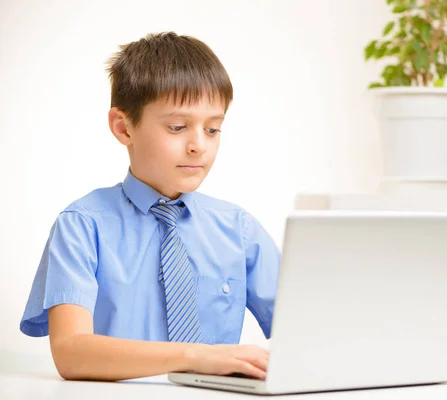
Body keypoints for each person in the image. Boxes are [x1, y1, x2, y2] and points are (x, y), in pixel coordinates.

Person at [19, 32, 280, 381]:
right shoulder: (82, 225)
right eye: (177, 127)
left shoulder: (239, 229)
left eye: (213, 129)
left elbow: (309, 335)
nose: (198, 146)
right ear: (124, 128)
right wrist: (198, 356)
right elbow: (71, 352)